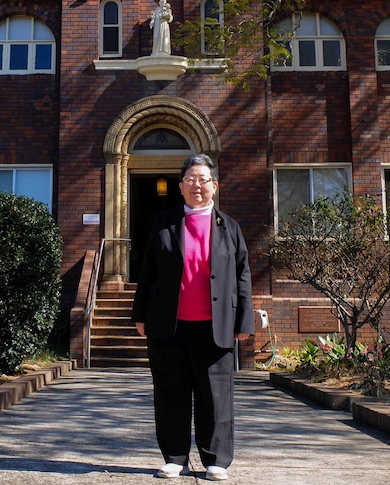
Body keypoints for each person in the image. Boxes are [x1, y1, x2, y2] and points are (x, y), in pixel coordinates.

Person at [132, 154, 254, 481]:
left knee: (215, 396)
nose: (196, 185)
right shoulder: (165, 222)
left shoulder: (230, 228)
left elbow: (242, 276)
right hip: (169, 326)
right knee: (171, 393)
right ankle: (174, 457)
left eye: (203, 179)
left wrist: (244, 321)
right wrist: (140, 314)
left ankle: (216, 459)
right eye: (190, 180)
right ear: (181, 187)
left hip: (216, 327)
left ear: (214, 186)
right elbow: (148, 272)